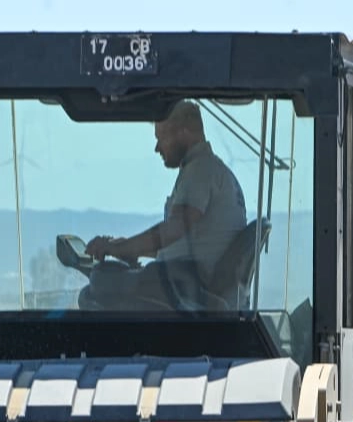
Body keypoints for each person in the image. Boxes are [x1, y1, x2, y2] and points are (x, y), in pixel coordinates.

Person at [81, 100, 247, 309]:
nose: (157, 148)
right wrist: (126, 248)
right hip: (190, 282)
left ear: (184, 132)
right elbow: (185, 244)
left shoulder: (201, 171)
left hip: (189, 289)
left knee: (98, 286)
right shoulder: (213, 171)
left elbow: (173, 230)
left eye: (162, 138)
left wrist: (116, 247)